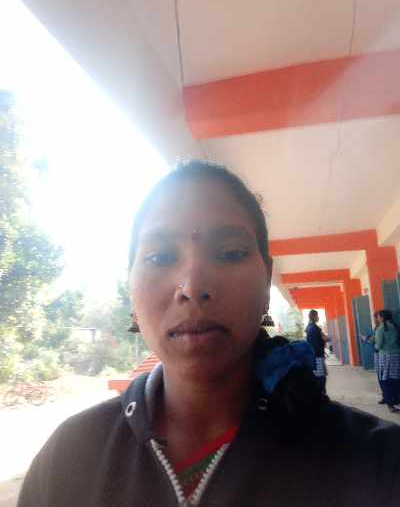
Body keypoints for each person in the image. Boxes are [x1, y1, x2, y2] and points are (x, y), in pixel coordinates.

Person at [18, 161, 400, 506]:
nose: (193, 285)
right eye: (160, 257)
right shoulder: (69, 459)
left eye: (231, 253)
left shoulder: (377, 463)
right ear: (131, 289)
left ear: (267, 281)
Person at [375, 309, 400, 413]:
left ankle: (390, 404)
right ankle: (396, 399)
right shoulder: (395, 326)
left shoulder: (381, 328)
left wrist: (374, 345)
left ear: (382, 317)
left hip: (385, 356)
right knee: (396, 379)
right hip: (397, 355)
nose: (378, 318)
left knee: (385, 380)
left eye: (378, 316)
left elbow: (379, 344)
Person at [361, 312, 384, 404]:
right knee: (382, 375)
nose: (375, 320)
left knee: (381, 375)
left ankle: (386, 396)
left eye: (376, 318)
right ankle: (386, 395)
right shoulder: (379, 328)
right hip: (379, 353)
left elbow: (374, 341)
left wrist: (366, 339)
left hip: (380, 353)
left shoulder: (380, 328)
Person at [305, 309, 328, 394]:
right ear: (314, 316)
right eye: (317, 316)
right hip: (317, 356)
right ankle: (321, 394)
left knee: (318, 376)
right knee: (321, 377)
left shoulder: (309, 327)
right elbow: (318, 342)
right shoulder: (315, 328)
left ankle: (320, 394)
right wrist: (324, 340)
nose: (318, 317)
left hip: (313, 356)